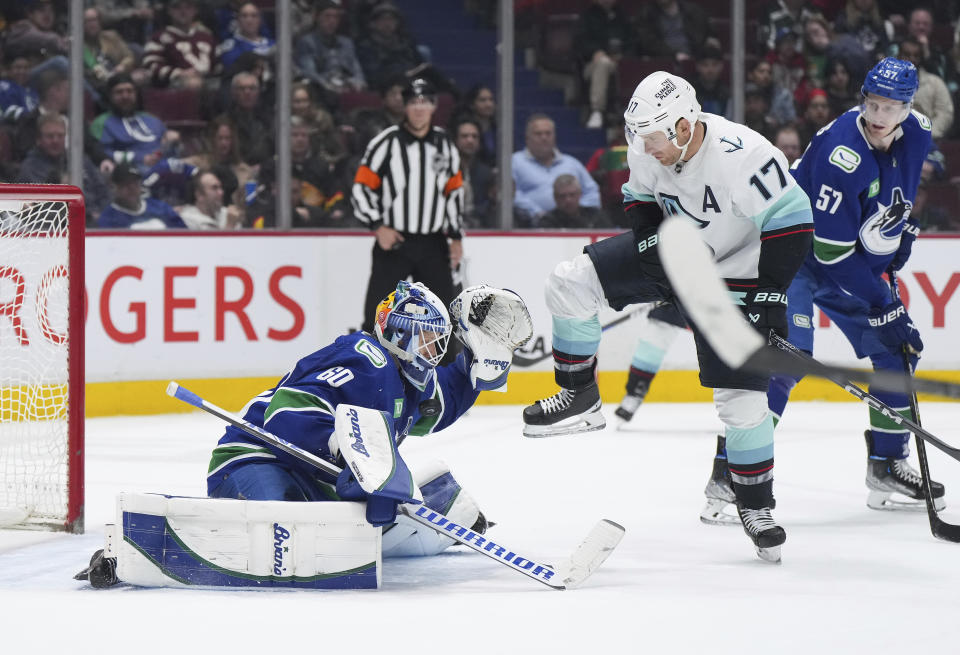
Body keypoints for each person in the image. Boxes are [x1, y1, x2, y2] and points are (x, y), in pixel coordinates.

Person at [522, 71, 814, 562]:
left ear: (683, 126)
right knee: (569, 282)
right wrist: (659, 244)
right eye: (637, 135)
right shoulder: (645, 144)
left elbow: (793, 218)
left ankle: (756, 506)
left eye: (652, 136)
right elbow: (638, 199)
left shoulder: (743, 154)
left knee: (742, 402)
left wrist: (768, 295)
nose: (642, 146)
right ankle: (579, 392)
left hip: (736, 275)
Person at [204, 280, 529, 557]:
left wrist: (477, 361)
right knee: (284, 524)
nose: (435, 349)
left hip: (313, 480)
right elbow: (289, 410)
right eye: (428, 338)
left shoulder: (411, 382)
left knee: (432, 509)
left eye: (439, 341)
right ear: (402, 333)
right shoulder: (365, 358)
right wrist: (342, 448)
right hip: (256, 459)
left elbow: (442, 403)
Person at [764, 57, 946, 512]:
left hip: (849, 260)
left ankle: (886, 465)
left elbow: (897, 189)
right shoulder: (839, 156)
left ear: (908, 108)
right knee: (787, 358)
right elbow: (831, 254)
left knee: (896, 353)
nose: (878, 115)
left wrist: (900, 227)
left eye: (890, 106)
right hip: (796, 258)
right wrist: (883, 300)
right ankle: (733, 472)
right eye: (872, 103)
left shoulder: (919, 131)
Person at [351, 78, 464, 341]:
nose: (419, 108)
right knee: (377, 316)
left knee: (442, 318)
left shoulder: (445, 144)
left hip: (433, 243)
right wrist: (377, 226)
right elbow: (361, 188)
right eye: (414, 102)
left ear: (434, 107)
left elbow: (453, 193)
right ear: (405, 107)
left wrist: (456, 237)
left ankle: (442, 380)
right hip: (396, 242)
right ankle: (371, 373)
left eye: (425, 102)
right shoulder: (386, 142)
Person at [17, 113, 110, 222]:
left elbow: (104, 191)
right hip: (56, 227)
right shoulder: (31, 168)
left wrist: (101, 213)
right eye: (50, 136)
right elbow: (39, 209)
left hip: (95, 222)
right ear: (39, 139)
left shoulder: (79, 160)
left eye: (60, 136)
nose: (55, 141)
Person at [512, 113, 600, 224]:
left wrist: (578, 211)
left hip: (573, 224)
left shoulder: (571, 163)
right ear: (527, 138)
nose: (544, 137)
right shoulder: (514, 162)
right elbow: (510, 195)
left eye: (548, 133)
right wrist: (538, 213)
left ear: (554, 136)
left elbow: (592, 192)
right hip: (529, 225)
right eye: (538, 134)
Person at [576, 0, 632, 129]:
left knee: (633, 65)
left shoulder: (622, 15)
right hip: (593, 65)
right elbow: (580, 43)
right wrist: (595, 52)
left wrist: (623, 56)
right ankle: (597, 111)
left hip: (619, 62)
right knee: (603, 63)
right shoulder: (587, 16)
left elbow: (632, 41)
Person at [294, 0, 366, 96]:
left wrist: (358, 82)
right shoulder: (307, 42)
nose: (332, 21)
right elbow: (309, 73)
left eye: (336, 17)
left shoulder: (347, 43)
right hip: (322, 91)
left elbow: (356, 70)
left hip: (348, 88)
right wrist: (330, 87)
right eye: (327, 16)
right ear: (316, 17)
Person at [142, 0, 217, 90]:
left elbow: (219, 63)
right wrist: (179, 73)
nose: (183, 11)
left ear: (195, 10)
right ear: (169, 11)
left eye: (188, 7)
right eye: (177, 7)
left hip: (208, 81)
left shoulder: (206, 36)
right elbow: (150, 64)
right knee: (192, 84)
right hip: (174, 85)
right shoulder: (159, 37)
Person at [98, 163, 187, 229]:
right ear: (115, 187)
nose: (131, 188)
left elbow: (184, 234)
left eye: (135, 183)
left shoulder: (160, 207)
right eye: (126, 184)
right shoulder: (109, 219)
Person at [899, 37, 954, 140]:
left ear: (921, 58)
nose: (912, 59)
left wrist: (925, 133)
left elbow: (945, 114)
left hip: (928, 142)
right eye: (907, 55)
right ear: (898, 56)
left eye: (916, 55)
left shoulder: (936, 83)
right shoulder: (886, 83)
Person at [452, 116, 495, 229]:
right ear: (455, 140)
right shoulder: (446, 171)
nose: (470, 140)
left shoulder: (487, 173)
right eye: (464, 136)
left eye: (474, 136)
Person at [538, 175, 613, 229]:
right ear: (555, 198)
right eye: (562, 196)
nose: (568, 200)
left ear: (580, 194)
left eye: (572, 194)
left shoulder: (596, 216)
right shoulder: (547, 222)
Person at [178, 169, 242, 229]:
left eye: (220, 187)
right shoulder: (187, 219)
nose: (221, 192)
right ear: (199, 195)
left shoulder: (228, 214)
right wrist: (230, 226)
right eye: (214, 188)